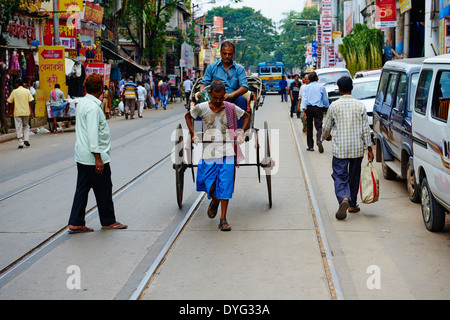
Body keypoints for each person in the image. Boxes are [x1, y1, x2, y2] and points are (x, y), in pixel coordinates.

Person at [185, 80, 250, 231]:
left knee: (225, 186)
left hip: (227, 152)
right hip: (209, 152)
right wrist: (193, 133)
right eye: (215, 98)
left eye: (221, 98)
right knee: (210, 185)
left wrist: (241, 134)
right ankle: (215, 201)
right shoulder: (202, 107)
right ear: (210, 95)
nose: (219, 101)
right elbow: (188, 117)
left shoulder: (230, 107)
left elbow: (246, 116)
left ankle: (223, 219)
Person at [68, 73, 127, 233]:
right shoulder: (93, 108)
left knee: (82, 188)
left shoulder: (83, 103)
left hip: (82, 155)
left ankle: (75, 222)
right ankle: (108, 220)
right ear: (100, 88)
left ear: (85, 87)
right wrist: (98, 158)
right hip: (93, 157)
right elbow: (93, 134)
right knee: (104, 188)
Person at [321, 76, 374, 220]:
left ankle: (343, 198)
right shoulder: (360, 106)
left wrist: (324, 137)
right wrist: (369, 147)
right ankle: (352, 204)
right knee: (354, 176)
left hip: (340, 150)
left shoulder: (334, 106)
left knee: (340, 175)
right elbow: (365, 129)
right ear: (352, 88)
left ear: (339, 89)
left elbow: (326, 127)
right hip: (357, 149)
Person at [199, 41, 249, 128]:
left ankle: (239, 131)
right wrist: (202, 93)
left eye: (229, 54)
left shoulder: (239, 69)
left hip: (232, 99)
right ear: (221, 53)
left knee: (242, 100)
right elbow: (204, 83)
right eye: (224, 53)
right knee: (198, 104)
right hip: (214, 99)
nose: (227, 56)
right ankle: (198, 131)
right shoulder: (212, 67)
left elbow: (244, 87)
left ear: (233, 54)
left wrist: (230, 95)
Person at [300, 71, 329, 153]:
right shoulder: (321, 87)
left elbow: (304, 99)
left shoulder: (306, 87)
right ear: (316, 78)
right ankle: (319, 140)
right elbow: (325, 100)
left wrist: (304, 110)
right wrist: (327, 107)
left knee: (309, 127)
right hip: (318, 109)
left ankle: (310, 146)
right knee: (319, 126)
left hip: (309, 108)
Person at [7, 78, 34, 149]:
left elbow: (10, 102)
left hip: (17, 112)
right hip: (26, 111)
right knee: (26, 126)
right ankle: (26, 139)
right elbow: (31, 102)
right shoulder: (27, 91)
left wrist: (10, 111)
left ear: (17, 84)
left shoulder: (14, 92)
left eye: (15, 83)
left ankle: (20, 142)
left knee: (18, 127)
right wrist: (31, 111)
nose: (15, 84)